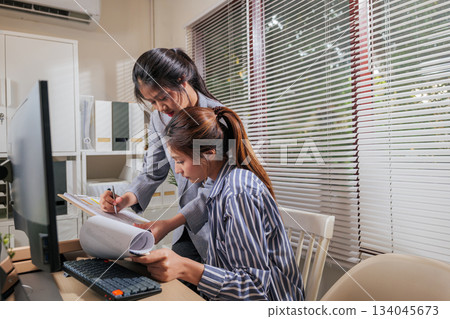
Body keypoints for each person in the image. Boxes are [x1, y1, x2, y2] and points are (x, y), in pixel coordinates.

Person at [132, 106, 304, 301]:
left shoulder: (238, 193)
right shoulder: (218, 186)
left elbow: (255, 290)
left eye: (180, 161)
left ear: (209, 153)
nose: (177, 171)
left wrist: (184, 267)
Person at [100, 48, 222, 266]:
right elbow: (152, 170)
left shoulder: (219, 118)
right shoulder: (160, 118)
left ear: (182, 79)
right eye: (152, 102)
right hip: (186, 229)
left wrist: (169, 223)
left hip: (218, 229)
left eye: (162, 98)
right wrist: (123, 201)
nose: (160, 108)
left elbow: (216, 189)